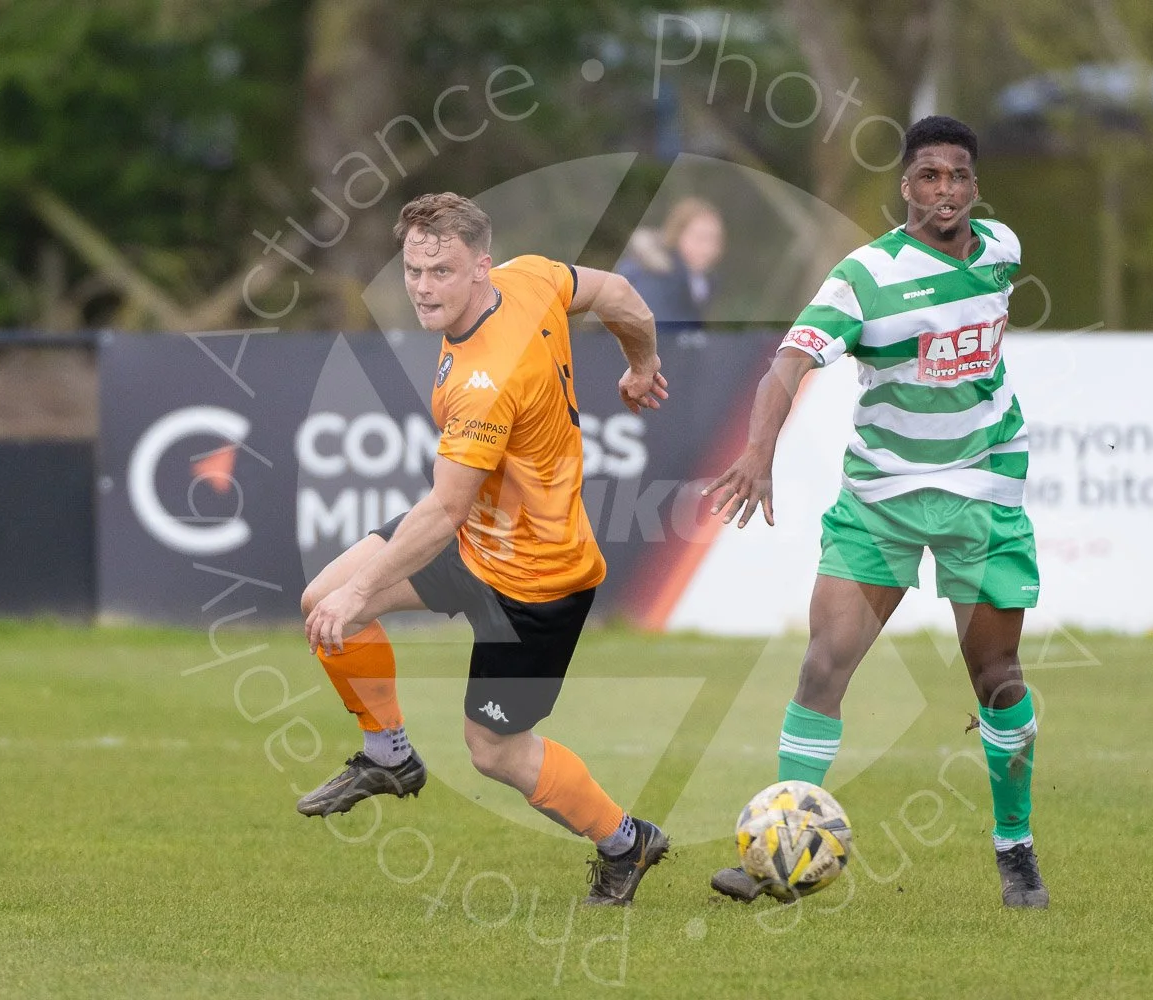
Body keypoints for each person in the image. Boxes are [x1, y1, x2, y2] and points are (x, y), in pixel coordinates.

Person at [702, 116, 1049, 908]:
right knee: (823, 664)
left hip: (983, 489)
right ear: (905, 187)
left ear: (975, 186)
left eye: (958, 176)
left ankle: (1015, 847)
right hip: (881, 498)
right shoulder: (864, 276)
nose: (945, 191)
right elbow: (790, 361)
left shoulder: (1002, 250)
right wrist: (760, 453)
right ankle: (783, 843)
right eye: (928, 176)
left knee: (997, 680)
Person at [298, 192, 672, 906]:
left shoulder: (485, 380)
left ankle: (628, 842)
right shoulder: (530, 279)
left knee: (494, 752)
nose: (423, 287)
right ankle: (390, 756)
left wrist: (360, 592)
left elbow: (443, 508)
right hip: (478, 543)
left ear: (481, 267)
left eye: (440, 271)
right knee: (323, 600)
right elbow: (621, 295)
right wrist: (640, 365)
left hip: (537, 581)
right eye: (413, 269)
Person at [616, 197, 725, 330]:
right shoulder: (650, 277)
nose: (708, 248)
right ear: (677, 235)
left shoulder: (701, 282)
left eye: (715, 239)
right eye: (700, 238)